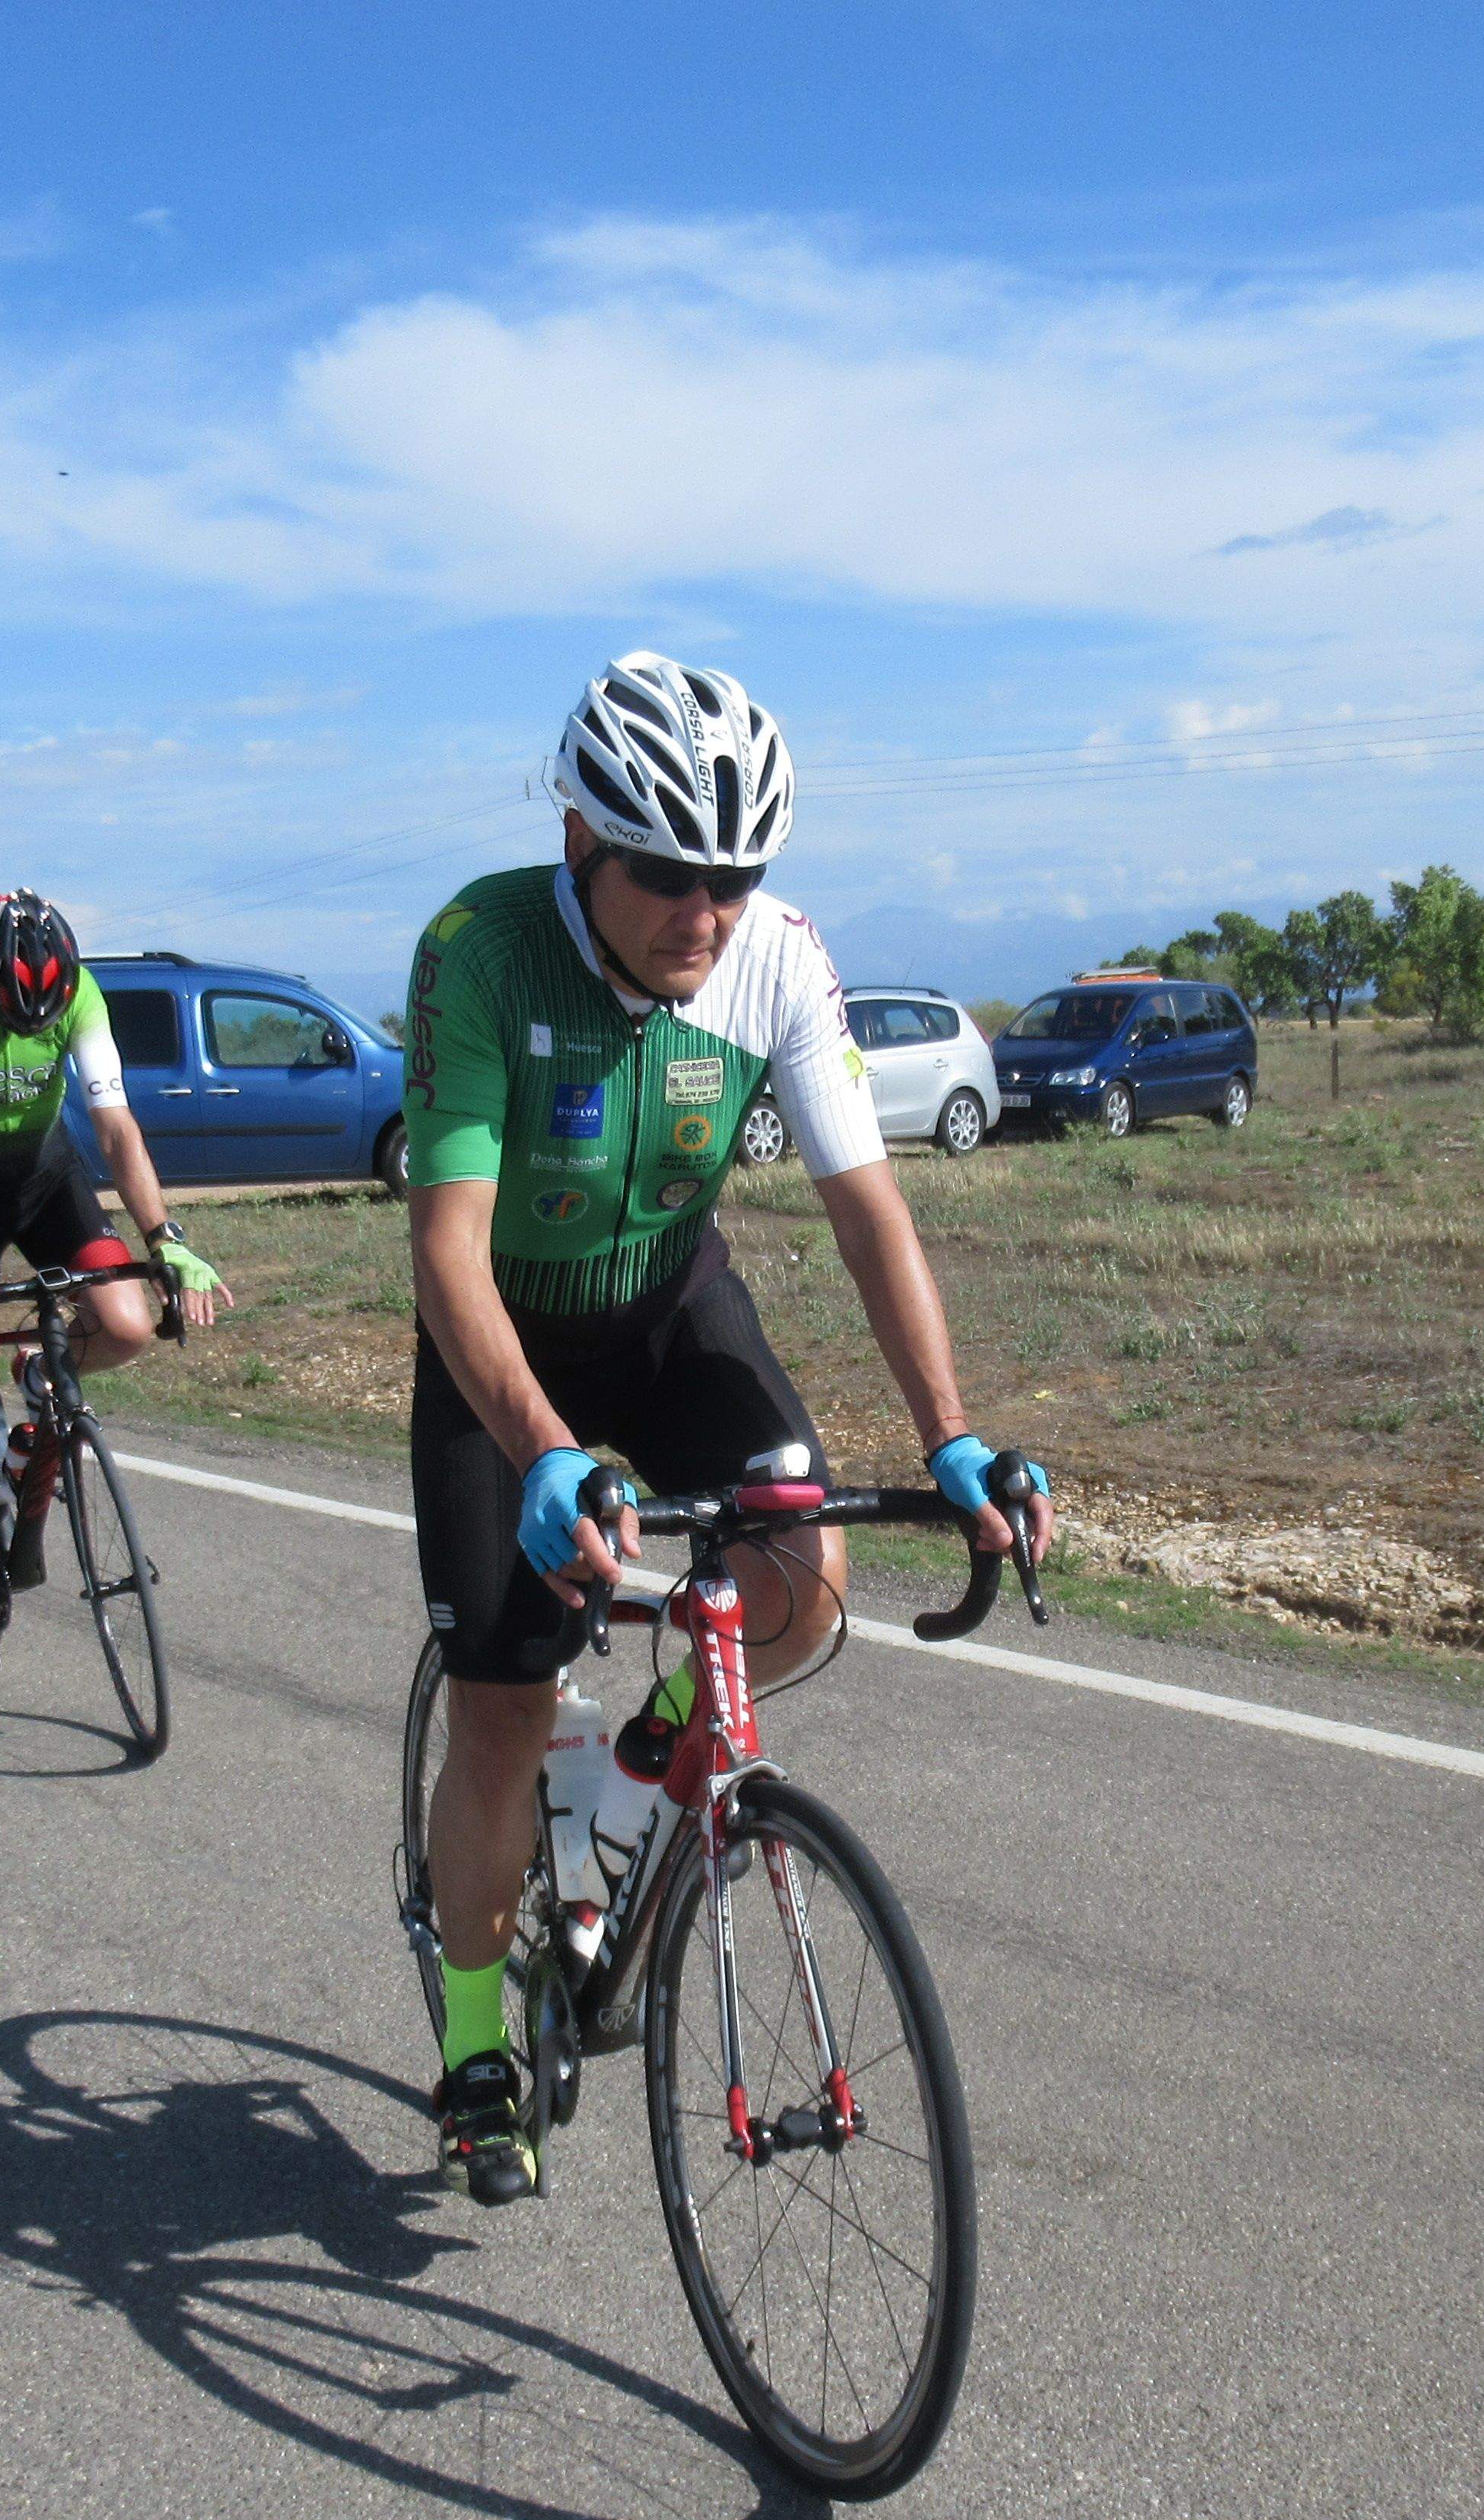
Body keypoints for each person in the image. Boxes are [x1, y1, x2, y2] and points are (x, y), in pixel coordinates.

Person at [405, 653, 1053, 2202]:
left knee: (805, 1577)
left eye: (735, 877)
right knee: (498, 1711)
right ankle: (479, 2051)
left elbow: (867, 1214)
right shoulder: (479, 952)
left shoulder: (777, 959)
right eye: (667, 879)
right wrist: (545, 1449)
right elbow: (444, 1248)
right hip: (505, 1335)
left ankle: (638, 1761)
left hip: (667, 1302)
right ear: (579, 842)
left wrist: (953, 1435)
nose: (703, 915)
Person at [0, 890, 228, 1674]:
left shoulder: (79, 993)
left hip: (41, 1177)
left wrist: (165, 1238)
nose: (23, 1033)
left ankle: (41, 1370)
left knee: (129, 1324)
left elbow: (114, 1126)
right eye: (10, 1017)